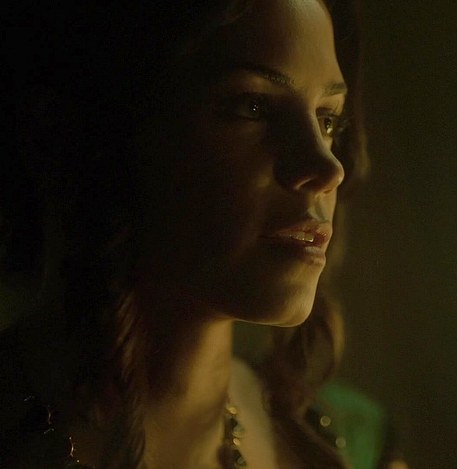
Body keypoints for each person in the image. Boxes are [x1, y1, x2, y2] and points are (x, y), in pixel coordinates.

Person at [0, 0, 405, 467]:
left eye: (327, 119)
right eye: (253, 106)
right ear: (82, 132)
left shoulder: (351, 445)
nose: (327, 168)